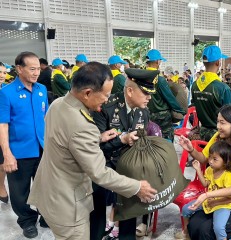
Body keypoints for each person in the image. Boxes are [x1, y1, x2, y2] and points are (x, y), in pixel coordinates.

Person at [27, 62, 157, 240]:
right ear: (88, 92)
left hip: (50, 193)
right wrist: (137, 187)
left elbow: (67, 138)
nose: (106, 99)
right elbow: (99, 173)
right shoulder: (83, 124)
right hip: (68, 204)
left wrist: (98, 137)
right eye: (105, 95)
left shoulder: (58, 104)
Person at [91, 68, 159, 240]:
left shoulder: (143, 112)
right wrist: (121, 140)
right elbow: (93, 148)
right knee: (97, 216)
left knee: (129, 212)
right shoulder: (105, 107)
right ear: (130, 91)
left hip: (128, 169)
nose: (149, 97)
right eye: (145, 93)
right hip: (103, 168)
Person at [179, 103, 231, 239]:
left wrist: (208, 195)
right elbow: (204, 158)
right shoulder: (218, 137)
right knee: (194, 223)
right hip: (220, 199)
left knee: (206, 230)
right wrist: (191, 149)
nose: (218, 127)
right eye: (217, 122)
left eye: (222, 123)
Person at [0, 52, 49, 238]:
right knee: (20, 192)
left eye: (38, 68)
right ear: (19, 69)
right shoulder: (6, 93)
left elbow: (45, 119)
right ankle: (27, 221)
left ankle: (46, 215)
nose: (37, 72)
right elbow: (2, 125)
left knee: (45, 186)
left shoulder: (41, 90)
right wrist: (7, 154)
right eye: (32, 69)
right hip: (19, 151)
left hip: (42, 148)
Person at [175, 141, 231, 240]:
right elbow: (205, 184)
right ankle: (186, 232)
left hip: (222, 205)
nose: (210, 161)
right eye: (210, 157)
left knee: (219, 228)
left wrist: (216, 201)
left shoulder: (228, 176)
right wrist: (198, 169)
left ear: (225, 161)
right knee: (186, 209)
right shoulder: (209, 170)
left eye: (215, 159)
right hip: (209, 201)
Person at [191, 45, 231, 141]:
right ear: (218, 62)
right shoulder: (223, 88)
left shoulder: (194, 85)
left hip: (203, 133)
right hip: (219, 136)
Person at [145, 49, 185, 142]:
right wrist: (180, 110)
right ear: (157, 61)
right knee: (166, 140)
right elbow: (170, 99)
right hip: (162, 116)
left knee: (152, 139)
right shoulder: (160, 79)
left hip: (148, 114)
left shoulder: (141, 77)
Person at [0, 62, 8, 204]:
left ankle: (1, 185)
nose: (2, 75)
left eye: (3, 72)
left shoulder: (5, 91)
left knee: (2, 163)